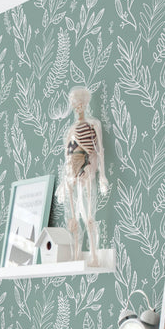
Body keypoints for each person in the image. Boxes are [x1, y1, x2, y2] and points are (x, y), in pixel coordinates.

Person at [56, 86, 108, 265]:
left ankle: (94, 255)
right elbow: (66, 156)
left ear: (86, 103)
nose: (78, 107)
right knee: (73, 218)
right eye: (74, 104)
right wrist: (63, 183)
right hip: (70, 174)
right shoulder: (69, 130)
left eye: (80, 103)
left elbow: (99, 150)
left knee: (88, 215)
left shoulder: (93, 124)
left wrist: (102, 176)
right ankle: (76, 254)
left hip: (86, 171)